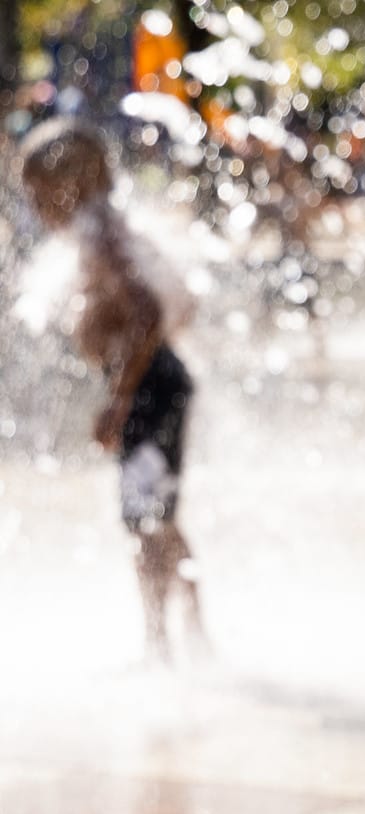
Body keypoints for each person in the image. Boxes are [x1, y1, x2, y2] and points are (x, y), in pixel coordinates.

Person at [17, 119, 207, 665]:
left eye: (37, 192)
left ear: (68, 184)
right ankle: (191, 633)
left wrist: (121, 399)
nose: (33, 206)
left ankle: (160, 645)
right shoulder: (102, 226)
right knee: (156, 516)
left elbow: (147, 310)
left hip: (150, 387)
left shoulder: (99, 234)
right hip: (158, 382)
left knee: (146, 520)